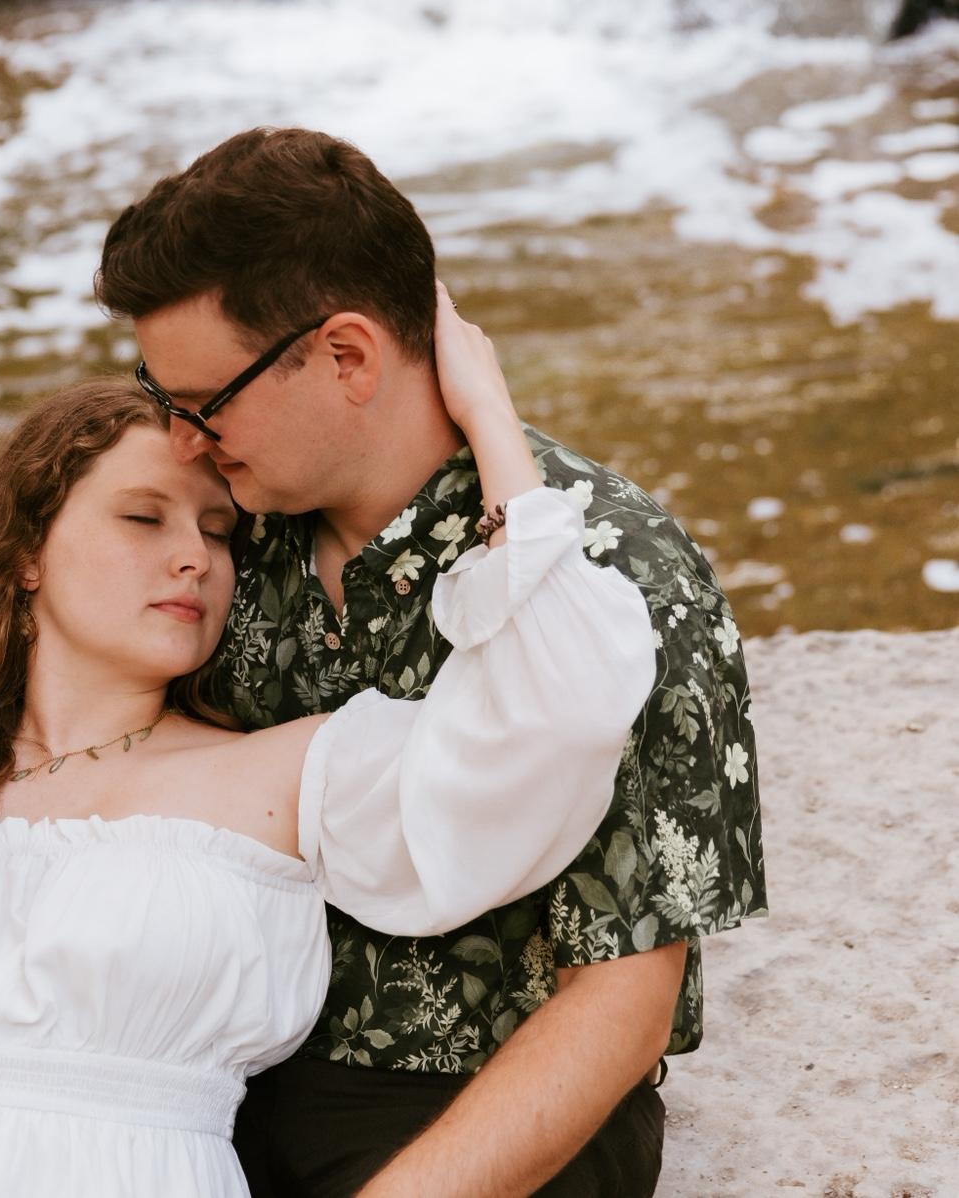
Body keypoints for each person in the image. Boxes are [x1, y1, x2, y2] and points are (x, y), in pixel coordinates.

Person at [0, 339, 656, 1196]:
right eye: (142, 517)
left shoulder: (285, 772)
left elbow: (553, 723)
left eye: (219, 530)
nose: (195, 556)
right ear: (25, 551)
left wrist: (488, 424)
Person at [98, 126, 769, 1197]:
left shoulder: (618, 572)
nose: (182, 439)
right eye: (158, 394)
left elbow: (621, 997)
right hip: (199, 1067)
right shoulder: (216, 533)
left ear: (348, 356)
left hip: (469, 1111)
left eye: (205, 404)